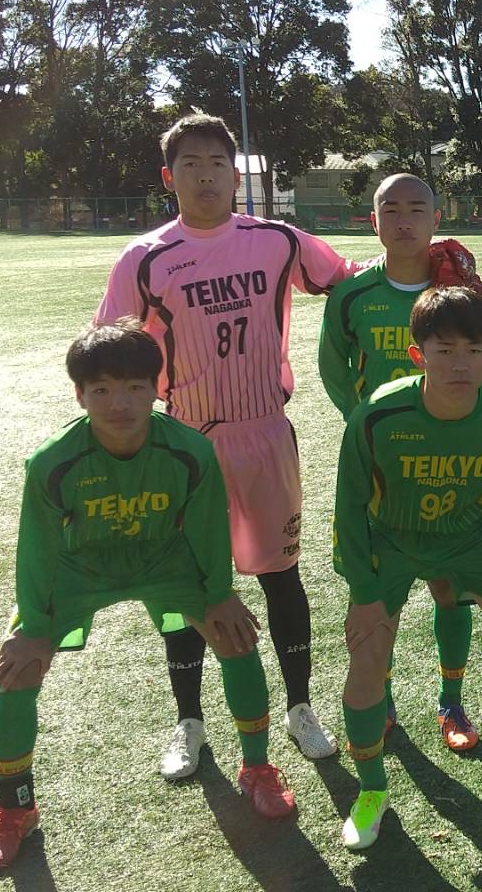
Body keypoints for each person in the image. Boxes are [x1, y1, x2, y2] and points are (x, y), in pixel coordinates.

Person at [0, 320, 295, 877]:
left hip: (164, 559)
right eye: (101, 390)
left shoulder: (190, 450)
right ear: (79, 395)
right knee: (17, 670)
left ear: (156, 389)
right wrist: (34, 628)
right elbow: (37, 549)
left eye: (134, 388)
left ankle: (257, 768)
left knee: (236, 637)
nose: (119, 403)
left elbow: (209, 529)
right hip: (80, 568)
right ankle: (15, 810)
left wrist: (219, 596)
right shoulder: (51, 462)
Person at [96, 113, 359, 777]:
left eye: (217, 163)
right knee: (185, 588)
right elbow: (109, 349)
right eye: (191, 164)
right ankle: (189, 721)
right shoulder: (144, 258)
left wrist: (422, 258)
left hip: (264, 431)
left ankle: (299, 706)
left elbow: (347, 279)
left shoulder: (276, 240)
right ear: (169, 177)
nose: (206, 175)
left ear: (236, 174)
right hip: (185, 443)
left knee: (280, 576)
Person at [334, 287, 482, 851]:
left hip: (471, 538)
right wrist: (363, 591)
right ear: (418, 355)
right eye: (444, 350)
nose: (459, 363)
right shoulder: (378, 414)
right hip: (393, 541)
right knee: (367, 657)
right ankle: (371, 790)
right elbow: (349, 506)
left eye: (473, 350)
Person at [320, 172, 482, 752]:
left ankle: (452, 701)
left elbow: (474, 364)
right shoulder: (352, 295)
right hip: (380, 473)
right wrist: (368, 433)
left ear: (437, 219)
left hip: (448, 462)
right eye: (390, 210)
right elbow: (334, 370)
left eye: (417, 209)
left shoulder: (457, 292)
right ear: (374, 221)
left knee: (450, 588)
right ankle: (382, 696)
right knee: (377, 593)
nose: (404, 220)